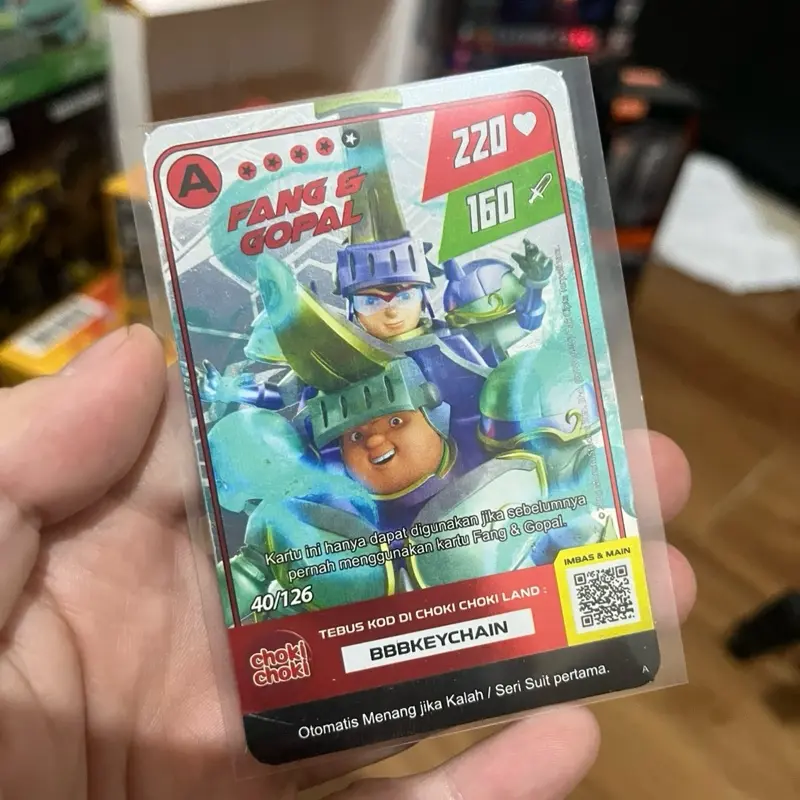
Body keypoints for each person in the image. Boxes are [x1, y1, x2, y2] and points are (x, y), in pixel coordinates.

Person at [0, 325, 696, 799]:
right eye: (356, 436)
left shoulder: (510, 476)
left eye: (393, 422)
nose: (377, 442)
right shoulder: (306, 522)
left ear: (431, 418)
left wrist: (593, 533)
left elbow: (571, 513)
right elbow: (254, 577)